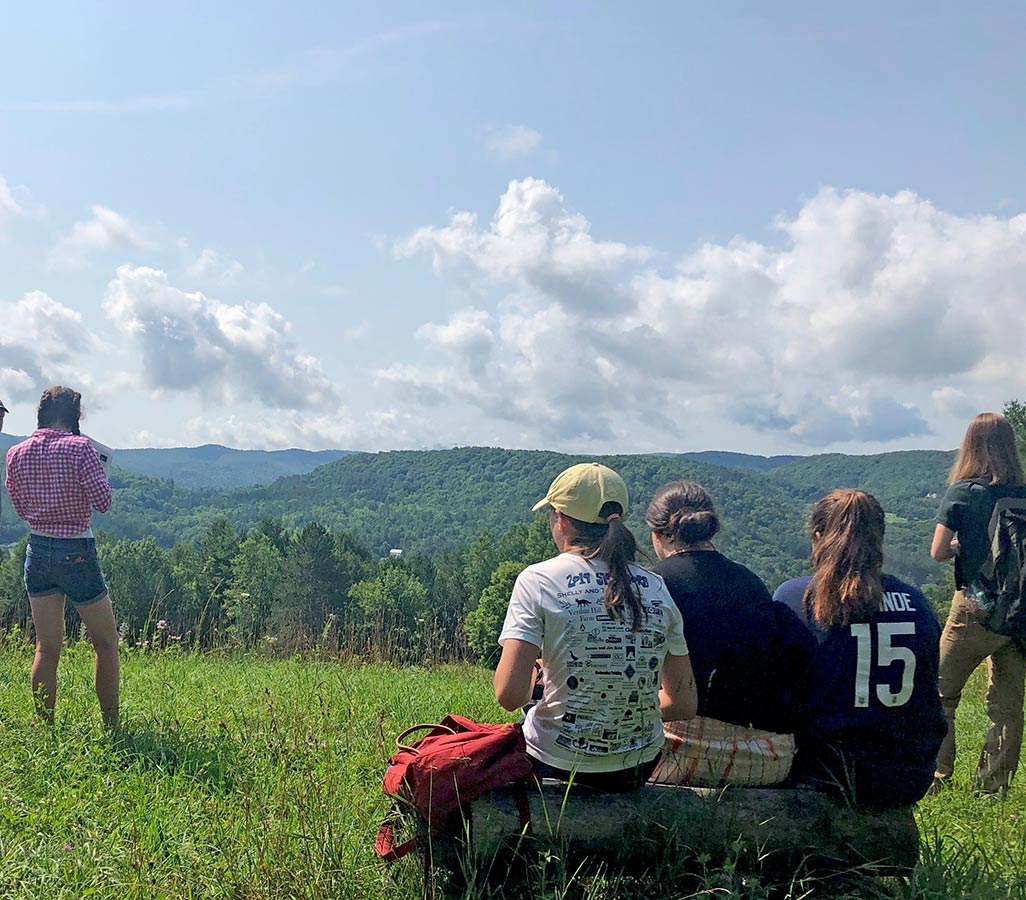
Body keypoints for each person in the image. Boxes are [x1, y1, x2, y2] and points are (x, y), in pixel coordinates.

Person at [494, 462, 697, 790]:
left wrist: (537, 674)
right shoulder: (657, 586)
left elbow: (508, 695)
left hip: (555, 763)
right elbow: (684, 703)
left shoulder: (538, 580)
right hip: (638, 766)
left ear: (560, 519)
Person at [773, 490, 946, 808]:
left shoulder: (795, 598)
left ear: (818, 536)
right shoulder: (917, 603)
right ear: (879, 537)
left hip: (824, 772)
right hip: (908, 776)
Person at [646, 481, 814, 733]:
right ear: (709, 530)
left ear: (656, 535)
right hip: (745, 735)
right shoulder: (749, 582)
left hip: (670, 734)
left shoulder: (652, 585)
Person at [4, 386, 119, 729]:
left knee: (47, 647)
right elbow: (103, 502)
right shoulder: (81, 449)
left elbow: (22, 508)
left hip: (37, 550)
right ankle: (111, 726)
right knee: (106, 643)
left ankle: (45, 727)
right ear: (74, 415)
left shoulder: (16, 453)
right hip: (77, 552)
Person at [930, 412, 1026, 794]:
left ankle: (937, 778)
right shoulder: (1022, 493)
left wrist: (961, 546)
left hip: (974, 608)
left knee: (940, 694)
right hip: (1019, 613)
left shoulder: (963, 492)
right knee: (1007, 707)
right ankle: (993, 787)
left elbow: (938, 551)